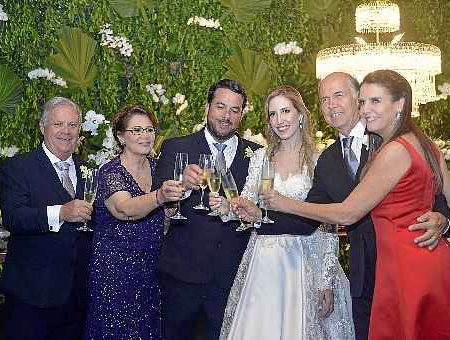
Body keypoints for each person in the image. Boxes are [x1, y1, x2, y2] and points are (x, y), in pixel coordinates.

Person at [237, 70, 450, 339]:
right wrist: (261, 215)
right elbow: (310, 219)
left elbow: (434, 200)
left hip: (408, 268)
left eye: (339, 95)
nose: (331, 105)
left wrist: (442, 219)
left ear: (358, 98)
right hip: (367, 278)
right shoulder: (327, 160)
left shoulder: (388, 140)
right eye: (323, 99)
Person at [209, 85, 355, 339]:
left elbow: (328, 225)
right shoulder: (260, 157)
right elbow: (247, 205)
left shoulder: (320, 160)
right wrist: (227, 207)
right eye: (273, 114)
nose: (279, 120)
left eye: (285, 111)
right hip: (264, 261)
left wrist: (326, 280)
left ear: (300, 115)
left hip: (305, 259)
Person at [152, 79, 260, 340]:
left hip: (233, 279)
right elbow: (162, 211)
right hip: (181, 278)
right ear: (207, 107)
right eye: (221, 106)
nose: (227, 116)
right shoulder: (176, 148)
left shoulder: (257, 155)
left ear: (242, 114)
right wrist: (183, 187)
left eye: (235, 110)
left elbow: (261, 212)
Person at [0, 97, 93, 339]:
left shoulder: (89, 170)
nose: (66, 132)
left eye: (73, 125)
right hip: (31, 296)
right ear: (42, 127)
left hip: (77, 296)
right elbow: (14, 217)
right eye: (58, 124)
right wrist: (61, 212)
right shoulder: (18, 167)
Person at [84, 105, 183, 339]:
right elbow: (125, 209)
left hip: (151, 271)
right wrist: (160, 196)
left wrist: (176, 201)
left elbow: (167, 217)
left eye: (149, 129)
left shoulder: (160, 168)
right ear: (120, 136)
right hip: (114, 273)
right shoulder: (110, 172)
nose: (145, 136)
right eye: (136, 130)